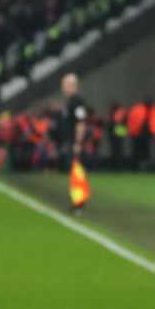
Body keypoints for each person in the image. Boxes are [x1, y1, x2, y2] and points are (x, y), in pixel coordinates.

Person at [57, 73, 91, 212]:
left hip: (74, 142)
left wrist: (78, 142)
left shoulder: (77, 102)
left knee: (77, 172)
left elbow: (81, 122)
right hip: (70, 141)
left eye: (64, 85)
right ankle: (76, 200)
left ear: (72, 85)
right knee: (74, 172)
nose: (63, 88)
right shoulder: (70, 101)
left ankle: (79, 203)